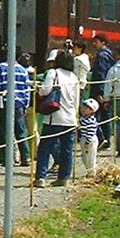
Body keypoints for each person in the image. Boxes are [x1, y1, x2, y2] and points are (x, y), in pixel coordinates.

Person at [34, 49, 80, 187]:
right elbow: (77, 100)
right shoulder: (74, 77)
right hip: (70, 118)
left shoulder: (53, 73)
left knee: (45, 147)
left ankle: (41, 177)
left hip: (55, 116)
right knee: (67, 149)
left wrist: (38, 90)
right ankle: (64, 177)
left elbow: (45, 90)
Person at [0, 53, 32, 168]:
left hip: (4, 104)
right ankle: (26, 157)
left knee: (4, 132)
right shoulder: (22, 70)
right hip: (19, 104)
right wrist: (26, 104)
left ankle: (7, 159)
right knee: (21, 132)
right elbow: (27, 89)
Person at [91, 35, 115, 149]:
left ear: (103, 42)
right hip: (107, 89)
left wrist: (100, 92)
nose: (94, 44)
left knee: (95, 115)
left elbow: (101, 74)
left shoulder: (102, 56)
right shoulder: (110, 54)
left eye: (96, 42)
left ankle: (101, 139)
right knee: (106, 116)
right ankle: (106, 139)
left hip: (99, 90)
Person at [76, 97, 100, 177]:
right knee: (84, 157)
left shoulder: (90, 120)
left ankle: (91, 172)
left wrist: (87, 141)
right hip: (84, 138)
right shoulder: (84, 118)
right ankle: (89, 170)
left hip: (89, 139)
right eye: (83, 107)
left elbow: (91, 131)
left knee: (90, 157)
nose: (83, 109)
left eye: (86, 108)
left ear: (91, 111)